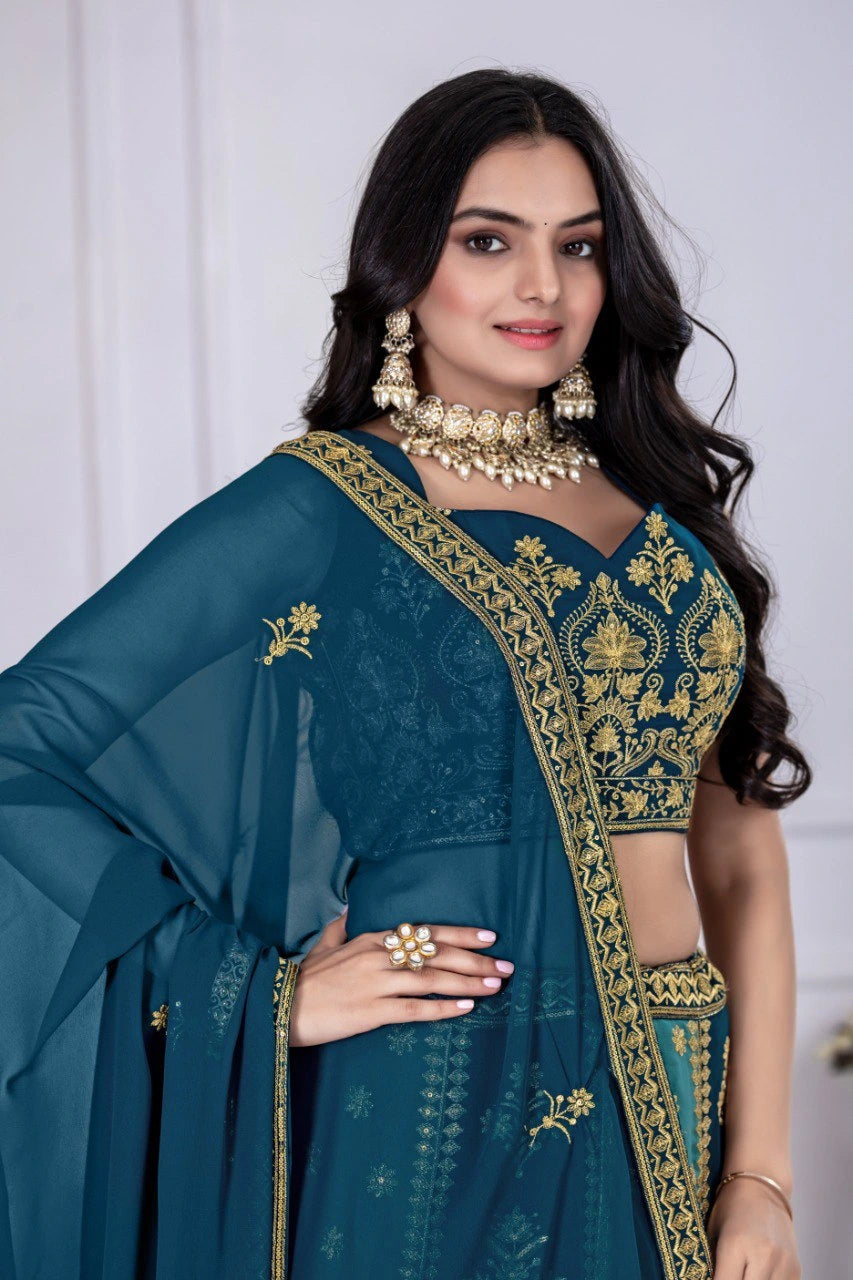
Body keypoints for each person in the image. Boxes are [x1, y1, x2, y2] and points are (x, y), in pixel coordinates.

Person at [0, 68, 808, 1280]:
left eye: (577, 246)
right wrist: (259, 995)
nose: (542, 286)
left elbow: (737, 849)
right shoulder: (318, 506)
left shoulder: (656, 507)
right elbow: (23, 744)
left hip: (673, 1092)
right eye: (488, 240)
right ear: (403, 263)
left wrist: (758, 1174)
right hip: (435, 1095)